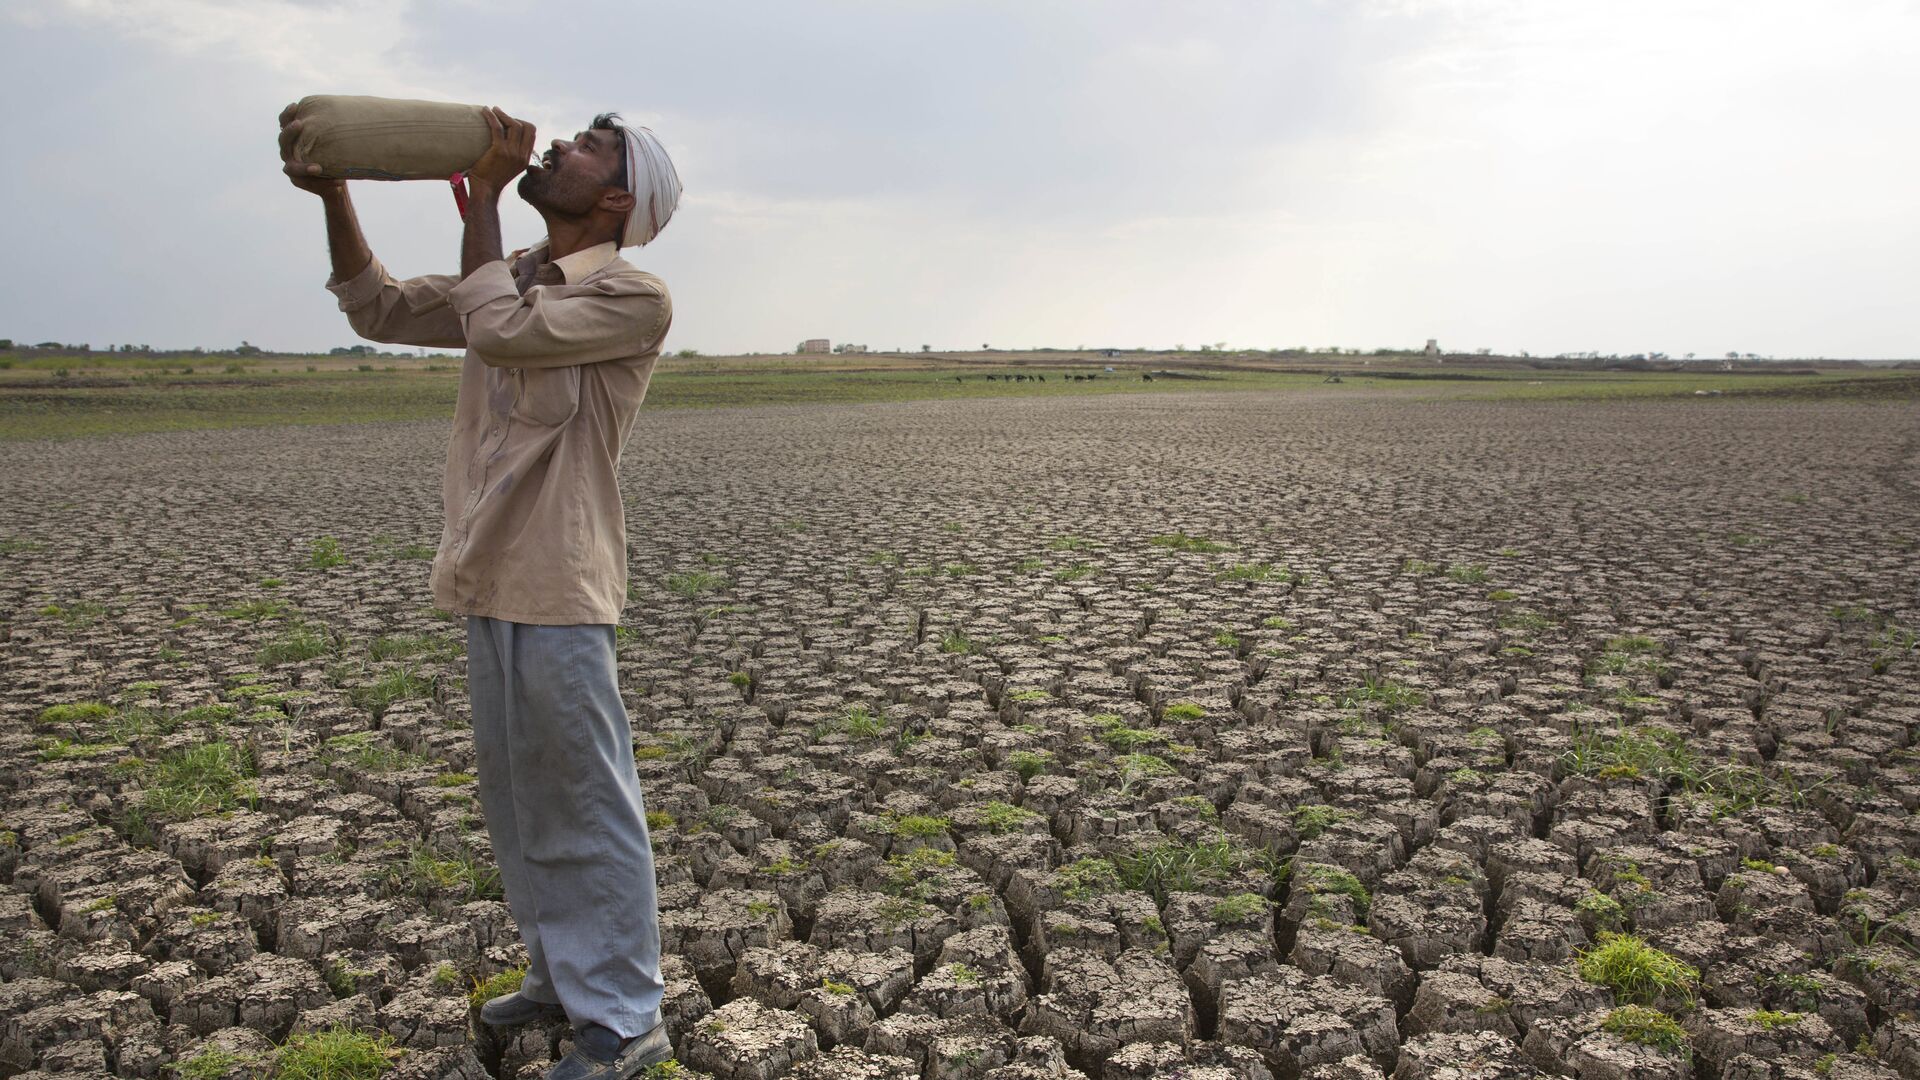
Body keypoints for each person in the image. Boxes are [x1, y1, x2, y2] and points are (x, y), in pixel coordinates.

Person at [279, 102, 683, 1080]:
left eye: (585, 146)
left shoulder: (632, 295)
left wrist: (490, 196)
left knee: (586, 803)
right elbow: (375, 306)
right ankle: (560, 975)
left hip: (559, 579)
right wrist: (336, 190)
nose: (556, 148)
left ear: (619, 195)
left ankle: (627, 1019)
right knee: (521, 802)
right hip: (490, 575)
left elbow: (497, 333)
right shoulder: (508, 277)